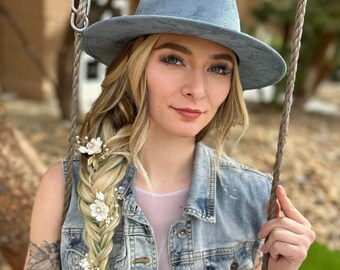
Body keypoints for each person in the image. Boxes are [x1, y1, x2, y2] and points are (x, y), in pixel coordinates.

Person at [24, 0, 315, 269]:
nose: (197, 89)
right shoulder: (65, 187)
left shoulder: (254, 198)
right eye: (174, 60)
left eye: (218, 68)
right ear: (134, 67)